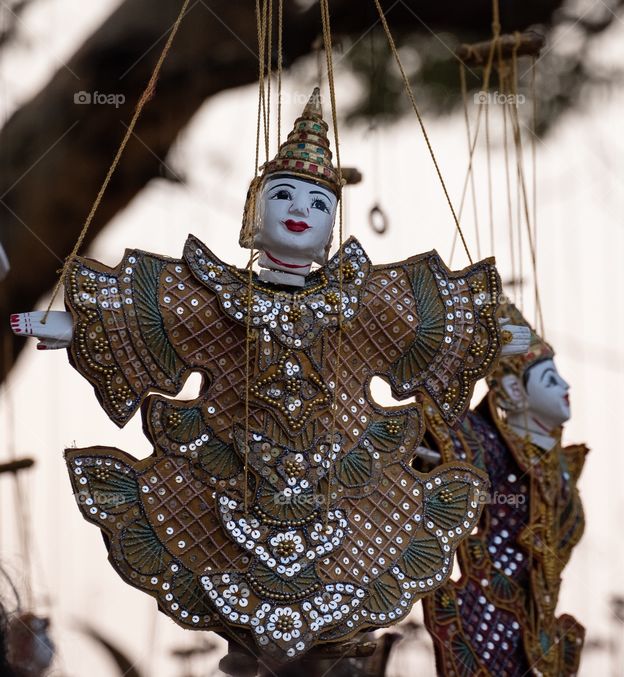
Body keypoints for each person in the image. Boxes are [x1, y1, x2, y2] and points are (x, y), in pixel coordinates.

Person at [10, 88, 530, 662]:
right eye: (283, 195)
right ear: (253, 214)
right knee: (240, 637)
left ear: (332, 226)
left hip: (347, 489)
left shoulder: (361, 303)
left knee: (335, 633)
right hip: (226, 477)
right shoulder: (215, 299)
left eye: (319, 203)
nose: (299, 209)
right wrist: (44, 321)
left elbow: (439, 322)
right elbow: (133, 315)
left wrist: (507, 338)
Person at [421, 302, 587, 677]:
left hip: (539, 624)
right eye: (550, 380)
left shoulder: (559, 468)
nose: (566, 386)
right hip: (489, 611)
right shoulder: (485, 442)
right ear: (513, 389)